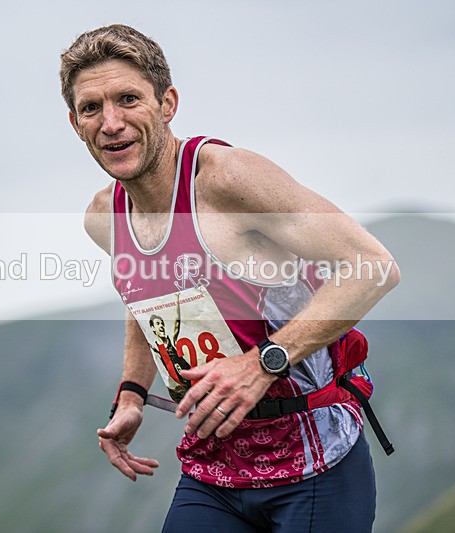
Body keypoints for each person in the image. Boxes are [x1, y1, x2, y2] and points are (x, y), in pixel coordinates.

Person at [60, 24, 399, 532]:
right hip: (213, 468)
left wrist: (263, 363)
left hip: (315, 461)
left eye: (128, 99)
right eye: (92, 108)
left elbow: (373, 266)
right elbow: (146, 299)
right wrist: (131, 394)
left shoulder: (227, 180)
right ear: (74, 123)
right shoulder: (103, 218)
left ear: (167, 103)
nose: (111, 123)